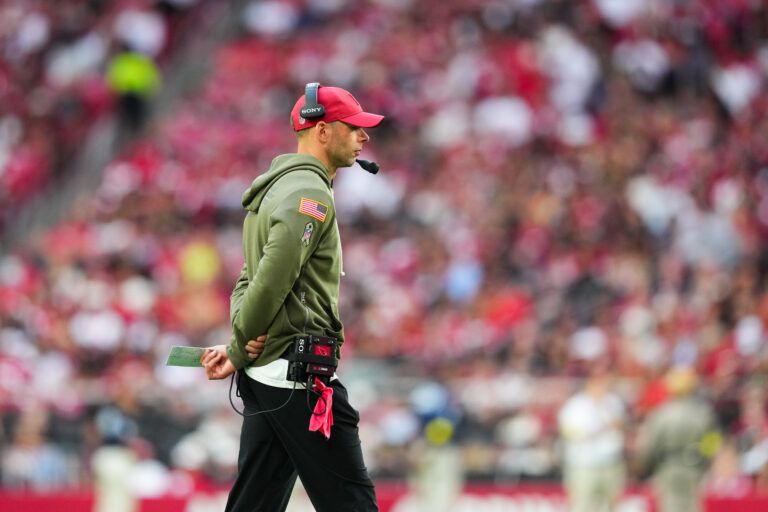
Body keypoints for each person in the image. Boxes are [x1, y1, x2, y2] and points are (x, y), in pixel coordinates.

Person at [200, 83, 384, 512]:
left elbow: (247, 279)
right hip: (297, 377)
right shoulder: (310, 194)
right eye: (353, 127)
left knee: (255, 504)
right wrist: (239, 345)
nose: (364, 137)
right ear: (322, 132)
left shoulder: (273, 188)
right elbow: (268, 281)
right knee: (353, 503)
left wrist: (242, 341)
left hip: (271, 374)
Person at [636, 366, 719, 512]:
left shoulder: (661, 413)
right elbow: (712, 444)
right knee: (693, 506)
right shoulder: (702, 413)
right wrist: (705, 464)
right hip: (694, 466)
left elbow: (651, 447)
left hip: (668, 467)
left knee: (671, 506)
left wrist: (648, 468)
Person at [557, 361, 627, 512]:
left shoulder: (613, 402)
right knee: (583, 505)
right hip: (584, 464)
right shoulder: (575, 405)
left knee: (611, 505)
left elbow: (620, 426)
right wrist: (598, 428)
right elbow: (569, 433)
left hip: (610, 462)